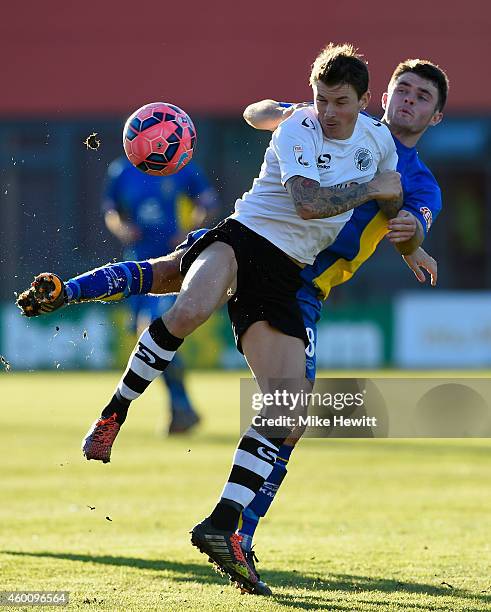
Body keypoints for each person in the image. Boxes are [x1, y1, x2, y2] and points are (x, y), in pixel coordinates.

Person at [17, 43, 408, 594]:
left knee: (289, 411)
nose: (327, 111)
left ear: (365, 101)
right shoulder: (298, 127)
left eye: (339, 102)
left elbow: (393, 199)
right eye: (320, 98)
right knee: (189, 306)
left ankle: (223, 525)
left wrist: (409, 234)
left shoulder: (378, 141)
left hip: (285, 276)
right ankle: (114, 413)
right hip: (246, 237)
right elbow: (306, 203)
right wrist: (372, 187)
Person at [104, 156, 219, 433]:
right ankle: (181, 409)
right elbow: (111, 210)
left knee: (154, 331)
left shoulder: (182, 167)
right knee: (147, 338)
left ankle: (182, 407)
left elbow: (208, 202)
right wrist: (122, 228)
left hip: (174, 265)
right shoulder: (120, 170)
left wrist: (188, 231)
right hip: (138, 266)